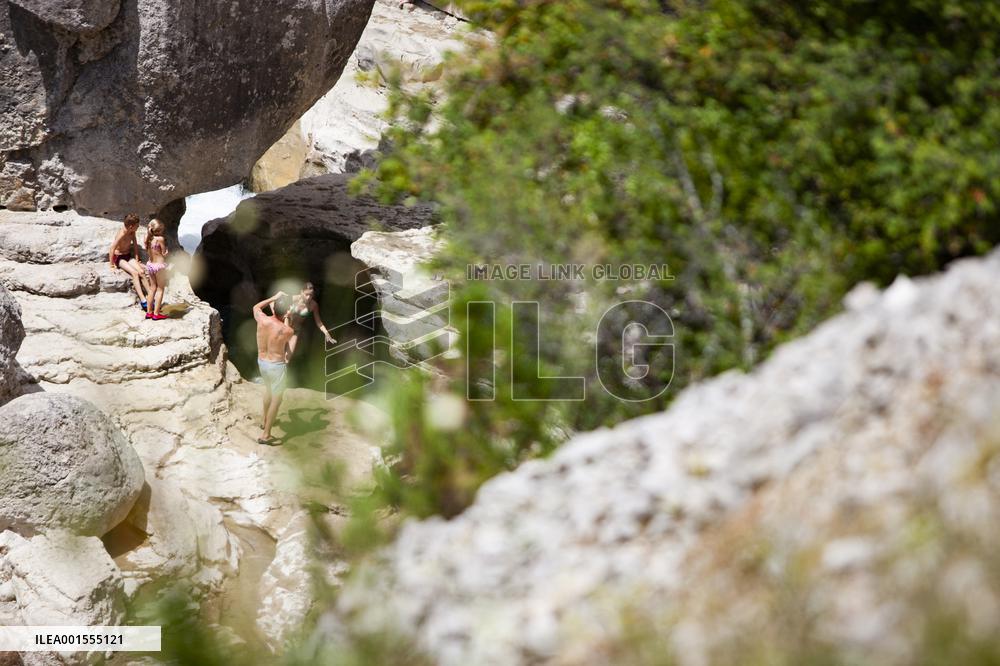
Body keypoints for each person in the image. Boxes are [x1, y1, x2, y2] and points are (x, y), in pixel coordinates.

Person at [254, 291, 295, 445]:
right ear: (285, 312)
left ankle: (265, 421)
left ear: (273, 309)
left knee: (268, 390)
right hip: (276, 366)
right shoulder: (287, 330)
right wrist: (287, 317)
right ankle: (266, 434)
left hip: (262, 362)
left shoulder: (261, 320)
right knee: (276, 400)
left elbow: (256, 307)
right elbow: (286, 334)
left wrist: (273, 298)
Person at [282, 282, 336, 358]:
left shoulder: (313, 305)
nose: (308, 297)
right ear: (301, 292)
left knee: (288, 357)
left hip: (295, 330)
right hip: (285, 327)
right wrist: (288, 314)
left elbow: (318, 322)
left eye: (311, 295)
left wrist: (326, 332)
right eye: (306, 294)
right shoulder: (293, 299)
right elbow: (281, 311)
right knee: (278, 352)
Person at [109, 213, 150, 309]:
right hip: (119, 258)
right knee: (135, 273)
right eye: (137, 226)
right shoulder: (121, 234)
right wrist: (111, 265)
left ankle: (151, 295)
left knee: (142, 272)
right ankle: (143, 299)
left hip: (128, 255)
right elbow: (112, 249)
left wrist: (137, 258)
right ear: (131, 226)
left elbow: (135, 245)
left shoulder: (132, 232)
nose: (138, 227)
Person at [144, 219, 170, 320]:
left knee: (152, 288)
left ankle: (149, 312)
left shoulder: (147, 238)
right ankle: (156, 313)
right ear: (159, 230)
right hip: (159, 266)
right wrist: (166, 252)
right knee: (160, 289)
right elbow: (163, 253)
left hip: (150, 265)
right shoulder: (160, 239)